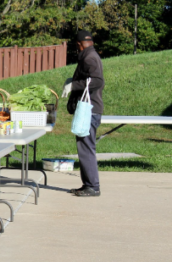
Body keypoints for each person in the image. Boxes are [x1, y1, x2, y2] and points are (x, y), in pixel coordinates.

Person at [62, 30, 104, 197]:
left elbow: (98, 81)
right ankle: (88, 184)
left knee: (86, 148)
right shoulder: (90, 55)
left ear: (79, 44)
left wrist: (73, 85)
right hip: (90, 109)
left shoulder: (89, 57)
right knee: (85, 147)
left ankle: (92, 187)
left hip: (90, 110)